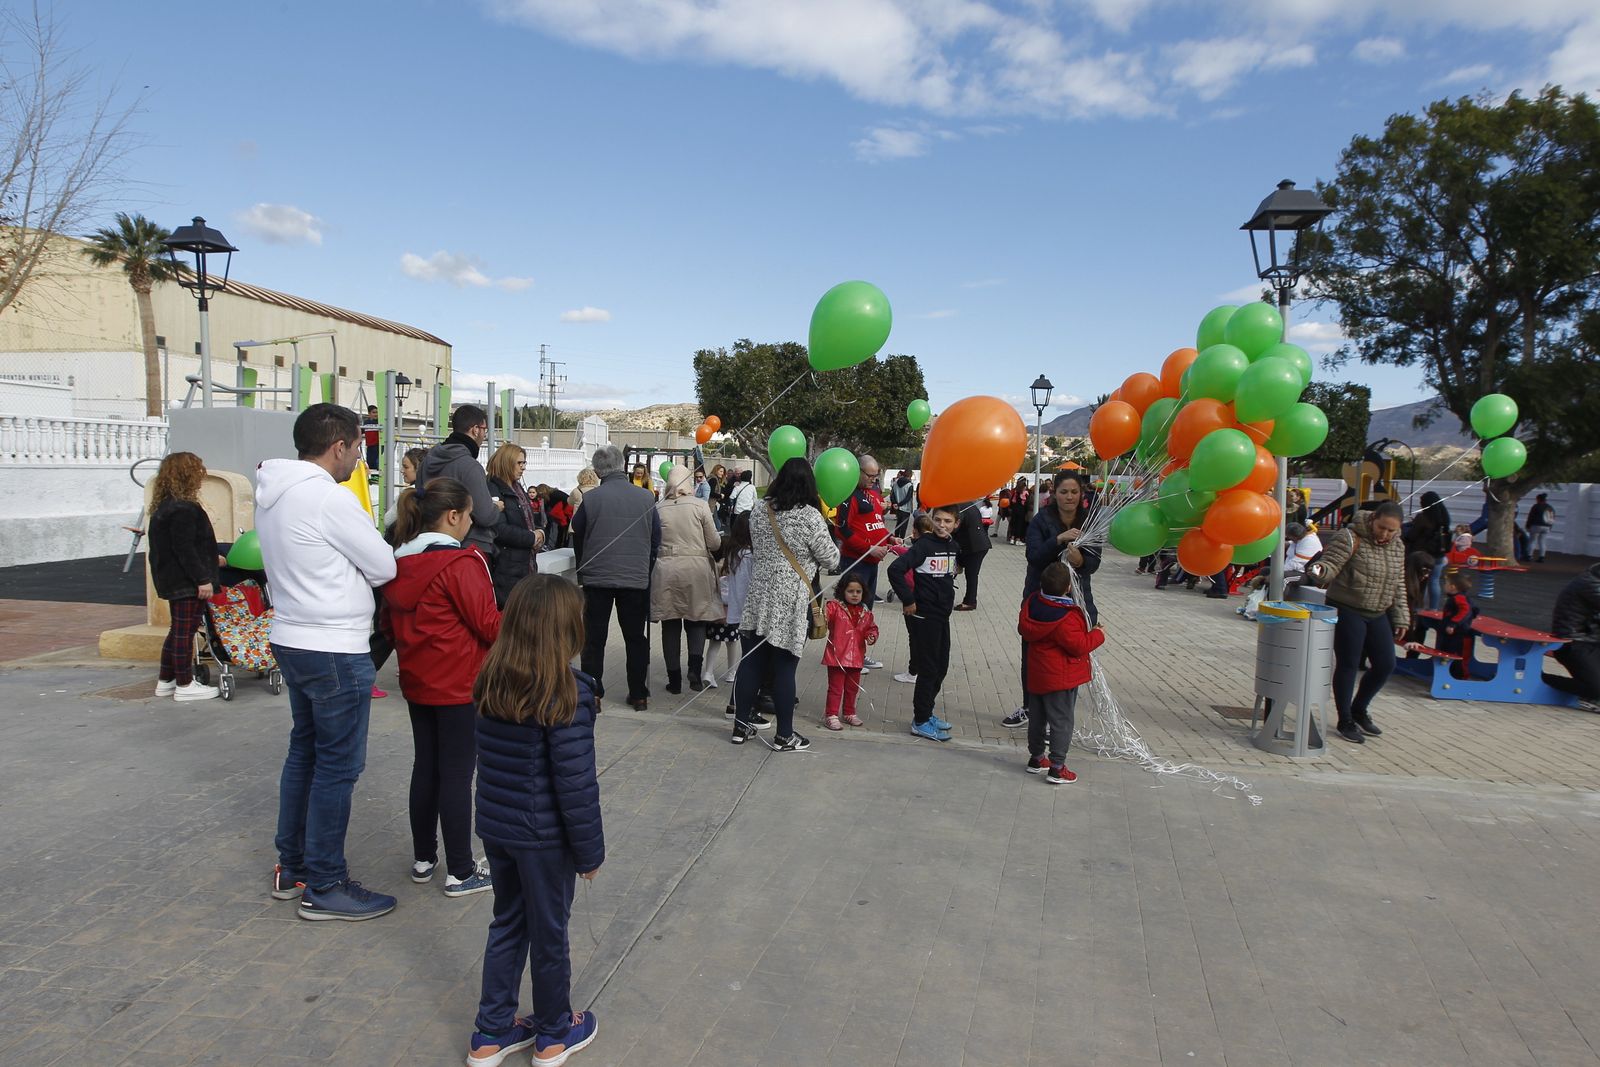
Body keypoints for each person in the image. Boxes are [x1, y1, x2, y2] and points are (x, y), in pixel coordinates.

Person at [256, 403, 398, 920]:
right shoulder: (326, 499)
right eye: (358, 447)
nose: (359, 456)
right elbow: (383, 565)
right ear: (339, 446)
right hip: (334, 647)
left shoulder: (273, 494)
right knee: (338, 767)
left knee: (306, 754)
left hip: (292, 636)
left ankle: (291, 866)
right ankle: (325, 882)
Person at [467, 575, 603, 1067]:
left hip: (499, 830)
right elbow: (576, 786)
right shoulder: (566, 692)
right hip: (544, 839)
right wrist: (590, 854)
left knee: (507, 923)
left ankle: (491, 1032)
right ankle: (551, 1033)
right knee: (549, 934)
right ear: (565, 630)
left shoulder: (492, 678)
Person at [382, 477, 500, 899]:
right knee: (455, 774)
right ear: (454, 516)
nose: (471, 522)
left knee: (427, 768)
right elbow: (489, 625)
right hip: (457, 684)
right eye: (469, 515)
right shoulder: (462, 563)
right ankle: (461, 870)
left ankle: (423, 857)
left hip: (418, 681)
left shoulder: (399, 562)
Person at [730, 458, 839, 750]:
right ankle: (784, 734)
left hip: (758, 594)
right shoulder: (810, 517)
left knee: (751, 661)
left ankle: (740, 727)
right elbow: (832, 559)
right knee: (784, 667)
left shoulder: (759, 511)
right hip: (791, 598)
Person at [1306, 501, 1408, 745]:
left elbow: (1398, 582)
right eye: (1382, 527)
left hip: (1378, 610)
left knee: (1386, 664)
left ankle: (1360, 708)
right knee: (1348, 664)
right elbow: (1331, 563)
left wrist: (1401, 616)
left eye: (1391, 530)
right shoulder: (1350, 537)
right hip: (1348, 607)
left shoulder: (1397, 546)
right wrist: (1319, 571)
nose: (1385, 534)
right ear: (1373, 519)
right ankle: (1346, 719)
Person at [1005, 475, 1101, 728]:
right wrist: (1057, 540)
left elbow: (1094, 563)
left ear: (1081, 494)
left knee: (1070, 660)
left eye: (1074, 492)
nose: (1069, 497)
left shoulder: (1089, 522)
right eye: (1063, 492)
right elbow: (1033, 556)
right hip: (1042, 601)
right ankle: (1031, 709)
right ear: (1054, 493)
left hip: (1076, 602)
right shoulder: (1042, 519)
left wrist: (1081, 561)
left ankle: (1059, 717)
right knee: (1034, 658)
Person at [570, 445, 660, 711]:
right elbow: (656, 538)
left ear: (597, 471)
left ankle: (593, 693)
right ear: (622, 466)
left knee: (594, 638)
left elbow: (578, 528)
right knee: (635, 638)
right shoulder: (646, 498)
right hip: (635, 577)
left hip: (597, 577)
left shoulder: (592, 498)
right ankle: (639, 693)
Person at [1018, 562, 1105, 785]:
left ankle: (1036, 758)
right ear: (1068, 588)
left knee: (1037, 718)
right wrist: (1098, 634)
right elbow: (1078, 646)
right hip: (1060, 677)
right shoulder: (1066, 616)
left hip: (1037, 673)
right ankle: (1057, 767)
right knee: (1061, 721)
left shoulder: (1032, 603)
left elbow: (1025, 630)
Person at [147, 451, 222, 701]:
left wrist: (212, 559)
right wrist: (202, 578)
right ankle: (185, 684)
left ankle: (166, 680)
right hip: (186, 581)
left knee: (177, 630)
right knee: (184, 631)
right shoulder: (185, 509)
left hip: (171, 578)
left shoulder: (165, 507)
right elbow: (186, 548)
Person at [888, 502, 960, 742]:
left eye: (947, 521)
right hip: (924, 615)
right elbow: (895, 570)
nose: (942, 525)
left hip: (942, 616)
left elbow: (953, 570)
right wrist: (908, 600)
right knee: (928, 669)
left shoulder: (952, 545)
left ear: (955, 524)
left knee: (941, 666)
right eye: (938, 520)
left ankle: (927, 713)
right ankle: (920, 720)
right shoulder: (924, 545)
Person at [651, 464, 722, 694]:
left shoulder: (659, 508)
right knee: (696, 619)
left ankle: (673, 679)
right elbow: (714, 543)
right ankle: (695, 672)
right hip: (696, 569)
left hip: (666, 569)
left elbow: (653, 542)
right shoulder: (700, 506)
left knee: (670, 623)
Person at [419, 405, 502, 560]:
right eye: (485, 429)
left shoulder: (427, 460)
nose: (484, 435)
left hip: (428, 545)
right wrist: (496, 508)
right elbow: (485, 515)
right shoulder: (470, 466)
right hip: (468, 548)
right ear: (475, 429)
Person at [834, 454, 896, 623]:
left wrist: (890, 539)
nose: (873, 480)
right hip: (856, 562)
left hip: (872, 564)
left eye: (876, 476)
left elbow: (877, 524)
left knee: (866, 612)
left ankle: (859, 645)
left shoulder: (874, 494)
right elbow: (842, 530)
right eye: (869, 475)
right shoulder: (850, 496)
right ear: (858, 472)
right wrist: (870, 548)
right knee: (852, 612)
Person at [486, 444, 547, 608]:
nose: (523, 468)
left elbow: (531, 518)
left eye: (524, 463)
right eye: (519, 463)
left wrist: (540, 531)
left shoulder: (517, 487)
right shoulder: (494, 488)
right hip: (507, 569)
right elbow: (499, 528)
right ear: (507, 462)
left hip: (525, 565)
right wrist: (531, 537)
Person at [821, 572, 878, 730]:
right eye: (850, 591)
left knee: (852, 688)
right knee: (836, 688)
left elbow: (871, 628)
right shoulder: (834, 607)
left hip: (856, 657)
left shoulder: (866, 612)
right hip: (837, 657)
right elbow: (825, 616)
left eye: (858, 592)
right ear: (842, 591)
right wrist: (821, 613)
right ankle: (831, 714)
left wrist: (872, 635)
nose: (854, 595)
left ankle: (849, 712)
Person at [1544, 562, 1600, 705]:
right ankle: (1536, 679)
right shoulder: (1590, 583)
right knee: (1596, 689)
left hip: (1592, 642)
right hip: (1574, 643)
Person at [711, 512, 753, 697]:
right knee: (748, 660)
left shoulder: (732, 554)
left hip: (732, 611)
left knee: (740, 655)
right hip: (747, 613)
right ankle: (736, 701)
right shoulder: (750, 556)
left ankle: (734, 699)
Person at [892, 514, 935, 684]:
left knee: (915, 637)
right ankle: (921, 669)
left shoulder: (916, 550)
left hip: (914, 598)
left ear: (915, 532)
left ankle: (914, 671)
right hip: (929, 599)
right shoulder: (934, 546)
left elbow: (895, 568)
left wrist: (892, 546)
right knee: (924, 637)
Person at [1404, 491, 1452, 610]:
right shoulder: (1445, 517)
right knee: (1434, 581)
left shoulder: (1423, 517)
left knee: (1421, 582)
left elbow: (1412, 536)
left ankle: (1418, 608)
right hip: (1439, 553)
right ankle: (1434, 609)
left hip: (1423, 554)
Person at [951, 499, 989, 610]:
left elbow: (955, 526)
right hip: (974, 545)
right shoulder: (968, 504)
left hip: (975, 546)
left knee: (971, 574)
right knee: (969, 572)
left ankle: (970, 602)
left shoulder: (958, 506)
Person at [382, 447, 429, 528]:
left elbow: (387, 521)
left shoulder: (409, 492)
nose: (402, 470)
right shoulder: (434, 489)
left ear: (419, 469)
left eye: (406, 467)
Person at [1528, 493, 1556, 562]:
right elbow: (1552, 517)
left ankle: (1529, 556)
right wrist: (1550, 527)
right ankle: (1541, 557)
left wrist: (1528, 525)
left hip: (1536, 525)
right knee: (1542, 542)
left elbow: (1531, 517)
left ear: (1538, 499)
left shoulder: (1536, 506)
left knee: (1532, 541)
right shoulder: (1550, 507)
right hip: (1547, 526)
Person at [888, 469, 916, 539]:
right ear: (910, 475)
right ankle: (901, 541)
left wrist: (895, 503)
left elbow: (892, 495)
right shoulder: (909, 485)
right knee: (904, 526)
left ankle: (896, 539)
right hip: (906, 508)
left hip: (897, 508)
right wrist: (899, 504)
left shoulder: (895, 483)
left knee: (898, 524)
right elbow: (908, 498)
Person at [1005, 478, 1031, 545]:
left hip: (1014, 510)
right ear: (1023, 487)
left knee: (1013, 524)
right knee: (1020, 525)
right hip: (1021, 510)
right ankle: (1018, 539)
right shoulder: (1025, 493)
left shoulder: (1016, 493)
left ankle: (1012, 538)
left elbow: (1012, 502)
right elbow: (1027, 503)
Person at [362, 405, 380, 471]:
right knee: (370, 464)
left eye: (377, 412)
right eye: (374, 412)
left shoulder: (379, 422)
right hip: (370, 447)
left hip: (377, 447)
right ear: (369, 413)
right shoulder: (366, 423)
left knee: (377, 464)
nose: (376, 414)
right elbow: (361, 431)